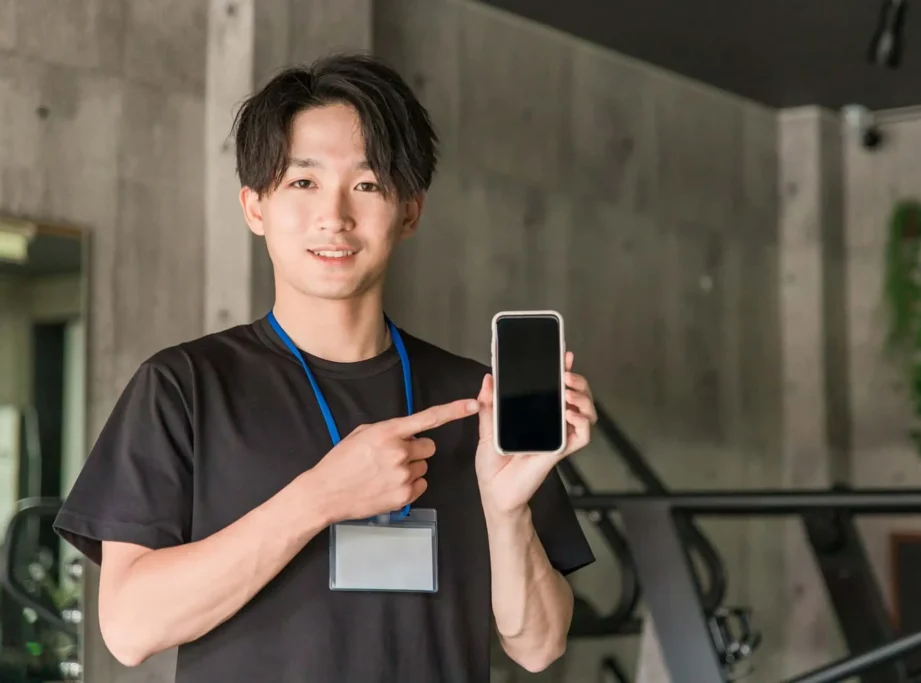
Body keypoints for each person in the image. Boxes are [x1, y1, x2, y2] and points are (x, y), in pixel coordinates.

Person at [52, 52, 597, 683]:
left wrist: (507, 512)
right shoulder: (184, 386)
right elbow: (129, 627)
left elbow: (539, 645)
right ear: (255, 207)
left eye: (366, 185)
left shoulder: (475, 401)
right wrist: (320, 498)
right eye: (302, 182)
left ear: (410, 212)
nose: (334, 216)